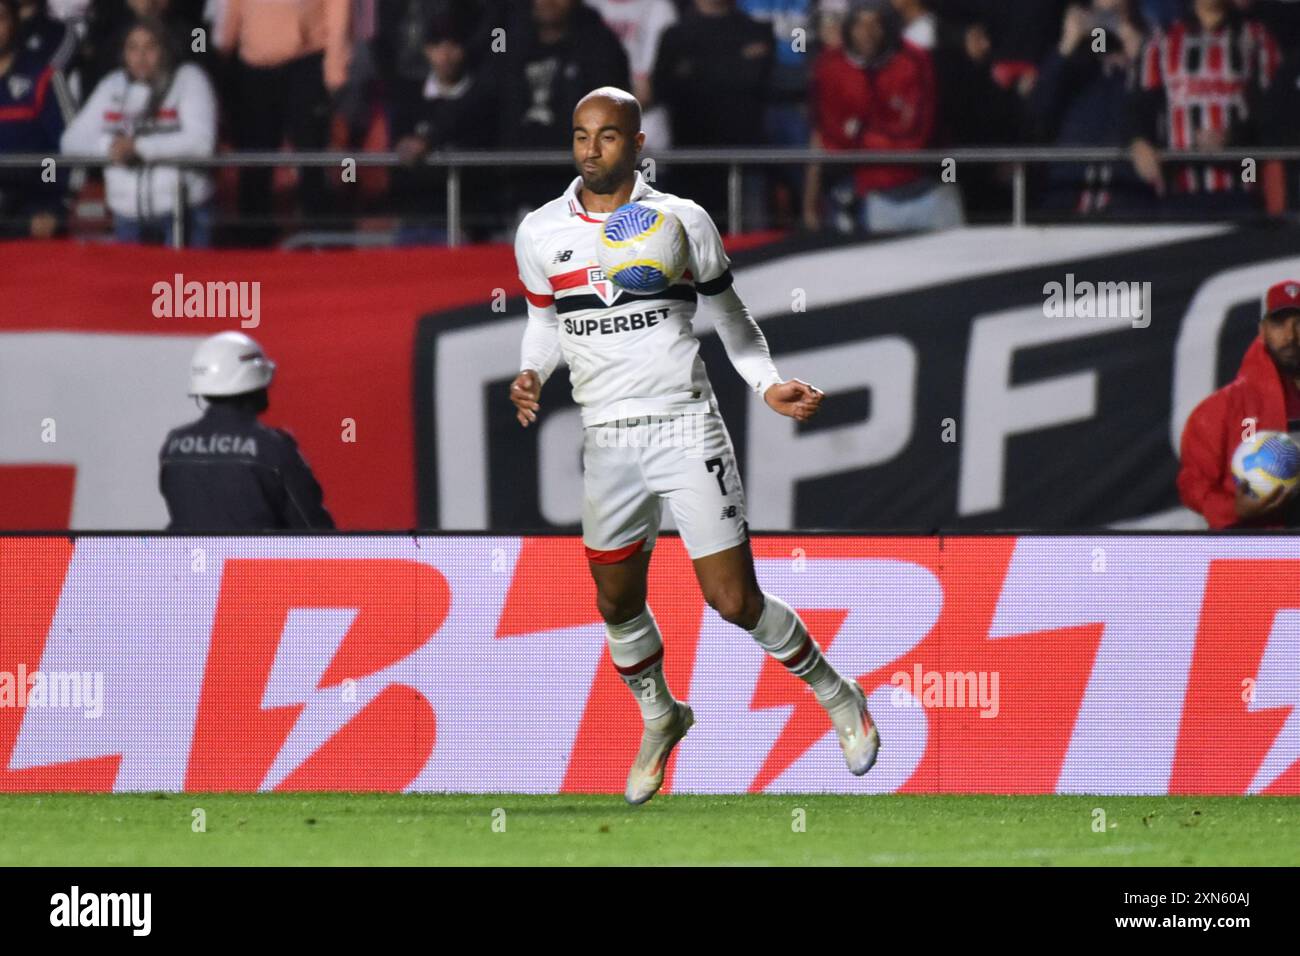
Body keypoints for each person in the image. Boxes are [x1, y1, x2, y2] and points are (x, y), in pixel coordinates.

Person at [508, 86, 879, 805]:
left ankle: (839, 696)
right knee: (615, 601)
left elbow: (731, 315)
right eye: (581, 135)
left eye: (609, 135)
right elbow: (544, 322)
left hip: (684, 423)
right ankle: (662, 716)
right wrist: (532, 371)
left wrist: (767, 383)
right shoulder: (540, 231)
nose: (592, 148)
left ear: (638, 144)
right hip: (606, 437)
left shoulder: (682, 222)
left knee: (733, 599)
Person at [60, 17, 216, 245]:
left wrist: (140, 148)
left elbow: (202, 143)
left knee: (186, 282)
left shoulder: (189, 79)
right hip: (127, 218)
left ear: (165, 48)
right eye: (133, 47)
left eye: (150, 46)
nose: (141, 56)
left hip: (183, 214)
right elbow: (71, 142)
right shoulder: (111, 85)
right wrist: (110, 147)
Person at [160, 332, 335, 531]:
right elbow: (315, 531)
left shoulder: (174, 446)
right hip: (253, 562)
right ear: (253, 381)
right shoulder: (273, 448)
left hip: (187, 561)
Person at [1128, 0, 1281, 217]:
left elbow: (1273, 111)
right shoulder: (1161, 40)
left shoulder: (1256, 37)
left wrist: (1231, 137)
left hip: (1241, 185)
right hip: (1178, 188)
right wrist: (1138, 141)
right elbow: (1139, 106)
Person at [1178, 280, 1300, 528]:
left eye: (1299, 324)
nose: (1290, 336)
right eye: (1279, 324)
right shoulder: (1221, 409)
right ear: (1263, 330)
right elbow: (1192, 484)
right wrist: (1234, 509)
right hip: (1254, 555)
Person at [0, 0, 64, 238]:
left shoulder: (41, 76)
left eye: (1, 18)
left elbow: (62, 149)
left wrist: (51, 206)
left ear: (14, 23)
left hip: (31, 215)